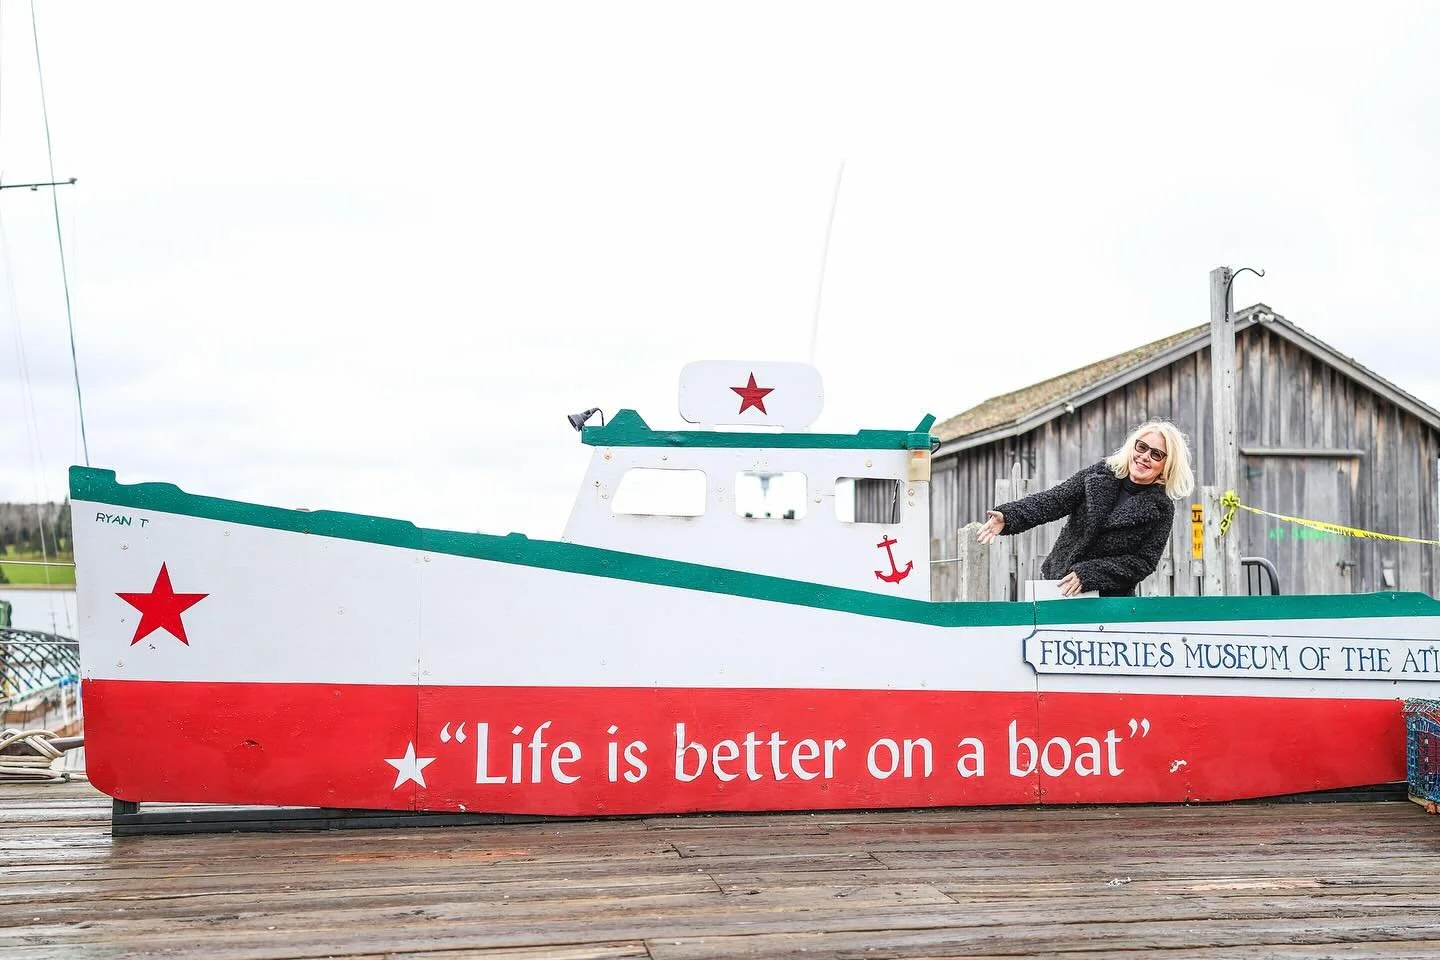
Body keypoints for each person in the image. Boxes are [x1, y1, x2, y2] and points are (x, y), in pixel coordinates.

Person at [976, 421, 1196, 597]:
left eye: (1156, 454)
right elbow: (1054, 500)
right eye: (1142, 447)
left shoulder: (1162, 508)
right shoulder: (1100, 474)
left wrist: (1090, 574)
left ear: (1166, 465)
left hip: (1109, 603)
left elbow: (1143, 563)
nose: (1145, 456)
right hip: (1057, 587)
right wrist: (1009, 516)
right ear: (1133, 447)